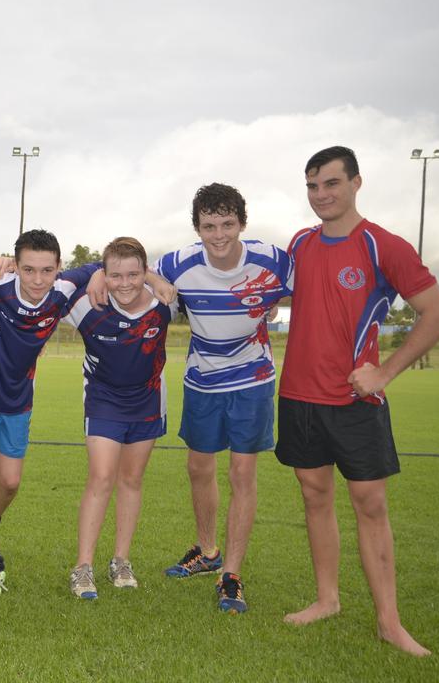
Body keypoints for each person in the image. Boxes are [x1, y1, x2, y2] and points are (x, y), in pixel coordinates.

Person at [276, 146, 439, 656]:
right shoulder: (300, 243)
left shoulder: (383, 245)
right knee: (314, 497)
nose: (320, 195)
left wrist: (386, 372)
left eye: (330, 183)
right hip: (298, 395)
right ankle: (326, 599)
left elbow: (437, 313)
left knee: (370, 504)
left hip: (355, 399)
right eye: (312, 186)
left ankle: (388, 622)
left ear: (356, 183)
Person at [142, 183, 292, 614]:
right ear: (197, 227)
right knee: (198, 466)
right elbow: (144, 270)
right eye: (210, 226)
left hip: (253, 378)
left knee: (242, 472)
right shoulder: (181, 261)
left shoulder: (271, 258)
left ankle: (231, 573)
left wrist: (276, 301)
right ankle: (207, 552)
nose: (220, 234)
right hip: (202, 379)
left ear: (242, 223)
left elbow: (306, 285)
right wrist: (158, 283)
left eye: (228, 224)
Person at [0, 229, 97, 596]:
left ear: (58, 268)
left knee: (11, 482)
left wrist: (97, 273)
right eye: (28, 269)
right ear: (15, 265)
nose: (37, 279)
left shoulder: (63, 289)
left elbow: (105, 264)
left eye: (46, 271)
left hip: (19, 400)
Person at [66, 237, 174, 601]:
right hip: (103, 400)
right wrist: (96, 272)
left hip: (146, 401)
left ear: (145, 272)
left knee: (131, 479)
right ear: (105, 274)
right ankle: (83, 567)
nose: (124, 283)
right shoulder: (86, 305)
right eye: (115, 275)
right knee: (101, 476)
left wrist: (157, 280)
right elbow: (59, 279)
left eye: (133, 274)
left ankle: (121, 560)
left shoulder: (164, 304)